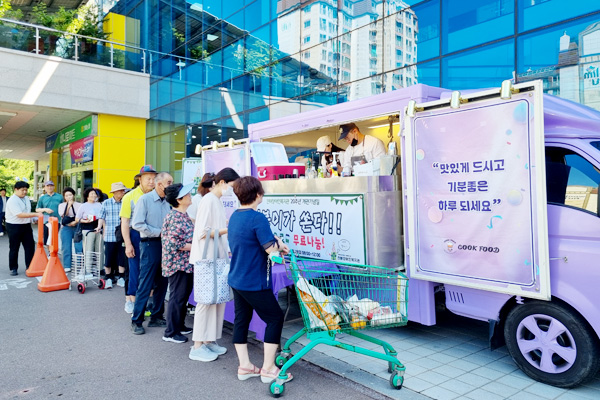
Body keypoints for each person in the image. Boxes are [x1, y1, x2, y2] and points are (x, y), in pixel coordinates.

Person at [227, 176, 291, 382]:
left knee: (241, 319)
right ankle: (269, 368)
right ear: (257, 194)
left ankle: (245, 366)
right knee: (275, 318)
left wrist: (274, 243)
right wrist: (279, 244)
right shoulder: (257, 218)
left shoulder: (235, 216)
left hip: (237, 278)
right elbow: (271, 251)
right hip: (254, 280)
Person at [188, 167, 240, 362]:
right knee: (205, 301)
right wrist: (227, 229)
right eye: (232, 186)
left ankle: (209, 341)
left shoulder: (215, 200)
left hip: (216, 258)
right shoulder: (209, 200)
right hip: (207, 259)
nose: (232, 190)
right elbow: (202, 232)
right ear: (222, 182)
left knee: (217, 301)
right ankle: (197, 346)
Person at [130, 172, 173, 335]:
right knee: (146, 283)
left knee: (162, 282)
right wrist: (158, 232)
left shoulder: (168, 201)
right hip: (150, 244)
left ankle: (156, 316)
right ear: (159, 184)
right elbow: (137, 223)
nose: (171, 185)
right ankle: (136, 320)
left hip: (165, 245)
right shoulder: (145, 200)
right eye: (169, 182)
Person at [161, 183, 195, 344]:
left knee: (183, 296)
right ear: (179, 200)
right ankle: (171, 332)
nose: (190, 196)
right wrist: (196, 246)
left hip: (185, 264)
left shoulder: (182, 215)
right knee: (177, 297)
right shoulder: (175, 217)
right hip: (177, 264)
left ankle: (179, 325)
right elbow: (173, 243)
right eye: (186, 195)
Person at [120, 167, 156, 314]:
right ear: (140, 179)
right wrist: (128, 244)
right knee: (135, 269)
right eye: (148, 178)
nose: (152, 181)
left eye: (154, 178)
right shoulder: (129, 196)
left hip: (153, 236)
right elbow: (125, 222)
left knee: (151, 270)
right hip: (135, 236)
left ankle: (148, 302)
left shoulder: (157, 195)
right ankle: (132, 302)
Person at [97, 182, 127, 290]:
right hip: (109, 234)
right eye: (121, 191)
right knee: (109, 257)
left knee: (122, 256)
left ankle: (121, 277)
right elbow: (101, 216)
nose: (123, 192)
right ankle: (108, 277)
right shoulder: (106, 203)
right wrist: (99, 227)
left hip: (122, 234)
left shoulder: (125, 202)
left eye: (123, 190)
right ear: (114, 192)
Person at [5, 181, 37, 276]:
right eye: (22, 190)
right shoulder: (12, 200)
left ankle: (30, 266)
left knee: (30, 246)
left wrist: (32, 219)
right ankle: (13, 268)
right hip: (14, 225)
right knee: (14, 247)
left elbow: (27, 211)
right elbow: (19, 214)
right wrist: (35, 214)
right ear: (16, 189)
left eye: (26, 190)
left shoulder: (26, 198)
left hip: (26, 225)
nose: (25, 192)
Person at [58, 187, 82, 273]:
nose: (69, 197)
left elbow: (81, 216)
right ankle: (67, 265)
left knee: (79, 246)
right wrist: (68, 206)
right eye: (66, 195)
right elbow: (63, 215)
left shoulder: (79, 205)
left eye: (70, 195)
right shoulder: (61, 205)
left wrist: (75, 222)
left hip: (77, 227)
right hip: (66, 228)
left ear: (73, 195)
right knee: (66, 247)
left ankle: (80, 265)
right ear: (64, 197)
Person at [75, 188, 103, 258]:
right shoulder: (83, 206)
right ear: (87, 196)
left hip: (98, 228)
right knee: (88, 249)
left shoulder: (99, 205)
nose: (94, 195)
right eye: (92, 194)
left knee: (99, 249)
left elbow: (102, 217)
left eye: (95, 194)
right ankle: (88, 264)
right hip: (87, 228)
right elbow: (77, 219)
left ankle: (98, 264)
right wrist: (85, 221)